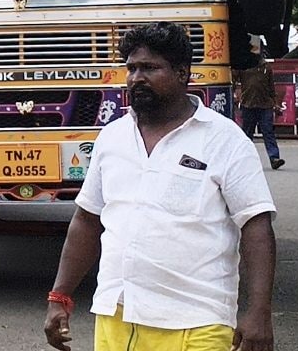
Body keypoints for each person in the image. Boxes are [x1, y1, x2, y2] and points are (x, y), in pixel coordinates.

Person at [44, 22, 277, 351]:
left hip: (197, 323)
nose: (137, 78)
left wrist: (259, 313)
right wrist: (59, 296)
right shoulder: (112, 137)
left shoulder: (224, 140)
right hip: (117, 318)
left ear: (183, 73)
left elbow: (256, 224)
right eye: (132, 68)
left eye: (150, 68)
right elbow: (87, 220)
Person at [234, 48, 285, 170]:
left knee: (268, 132)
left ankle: (274, 158)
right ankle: (244, 159)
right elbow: (234, 79)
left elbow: (271, 86)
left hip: (265, 104)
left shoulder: (266, 67)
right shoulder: (243, 66)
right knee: (247, 134)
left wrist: (275, 103)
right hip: (248, 104)